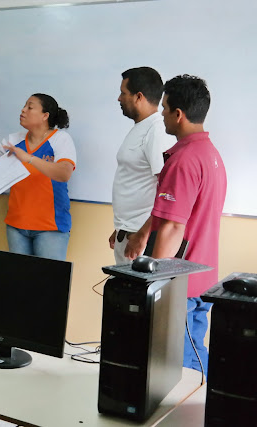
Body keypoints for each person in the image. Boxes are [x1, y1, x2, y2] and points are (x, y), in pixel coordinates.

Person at [151, 75, 226, 376]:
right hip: (202, 277)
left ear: (178, 114)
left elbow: (173, 227)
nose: (162, 114)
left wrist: (152, 280)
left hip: (180, 282)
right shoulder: (210, 154)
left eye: (165, 108)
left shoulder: (184, 160)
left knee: (176, 366)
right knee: (195, 355)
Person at [0, 94, 76, 261]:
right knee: (19, 276)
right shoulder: (14, 139)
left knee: (48, 276)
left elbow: (64, 173)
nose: (23, 110)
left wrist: (29, 159)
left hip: (50, 227)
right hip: (17, 225)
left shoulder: (60, 139)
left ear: (45, 116)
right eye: (24, 106)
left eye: (30, 107)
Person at [109, 67, 175, 264]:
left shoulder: (156, 130)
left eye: (123, 93)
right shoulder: (141, 127)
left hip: (140, 238)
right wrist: (120, 227)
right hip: (128, 231)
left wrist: (143, 234)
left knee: (135, 285)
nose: (119, 98)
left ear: (139, 96)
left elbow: (167, 189)